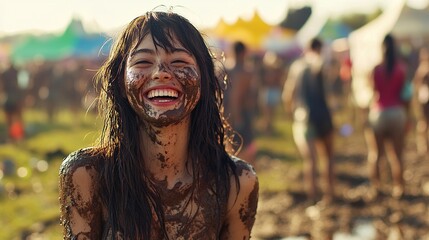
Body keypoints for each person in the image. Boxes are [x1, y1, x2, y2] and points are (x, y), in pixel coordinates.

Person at [58, 11, 259, 240]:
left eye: (179, 61)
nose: (161, 73)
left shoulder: (236, 183)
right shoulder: (87, 175)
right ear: (121, 83)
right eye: (143, 61)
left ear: (203, 79)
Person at [282, 37, 335, 202]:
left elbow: (288, 95)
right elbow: (329, 94)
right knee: (328, 157)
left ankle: (313, 195)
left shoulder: (296, 67)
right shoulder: (320, 64)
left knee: (310, 160)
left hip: (303, 119)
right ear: (320, 48)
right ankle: (330, 195)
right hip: (323, 117)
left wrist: (291, 113)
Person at [366, 34, 407, 199]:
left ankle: (376, 186)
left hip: (379, 113)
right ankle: (399, 187)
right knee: (397, 154)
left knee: (376, 154)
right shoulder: (401, 68)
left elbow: (373, 92)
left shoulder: (376, 69)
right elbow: (404, 94)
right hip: (397, 112)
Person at [223, 41, 258, 165]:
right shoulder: (244, 71)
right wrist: (238, 119)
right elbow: (235, 97)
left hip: (225, 116)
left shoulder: (224, 68)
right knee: (245, 153)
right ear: (243, 52)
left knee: (229, 150)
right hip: (240, 116)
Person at [413, 46, 429, 155]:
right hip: (424, 101)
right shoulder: (421, 70)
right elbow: (417, 85)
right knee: (423, 123)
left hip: (424, 101)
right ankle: (423, 145)